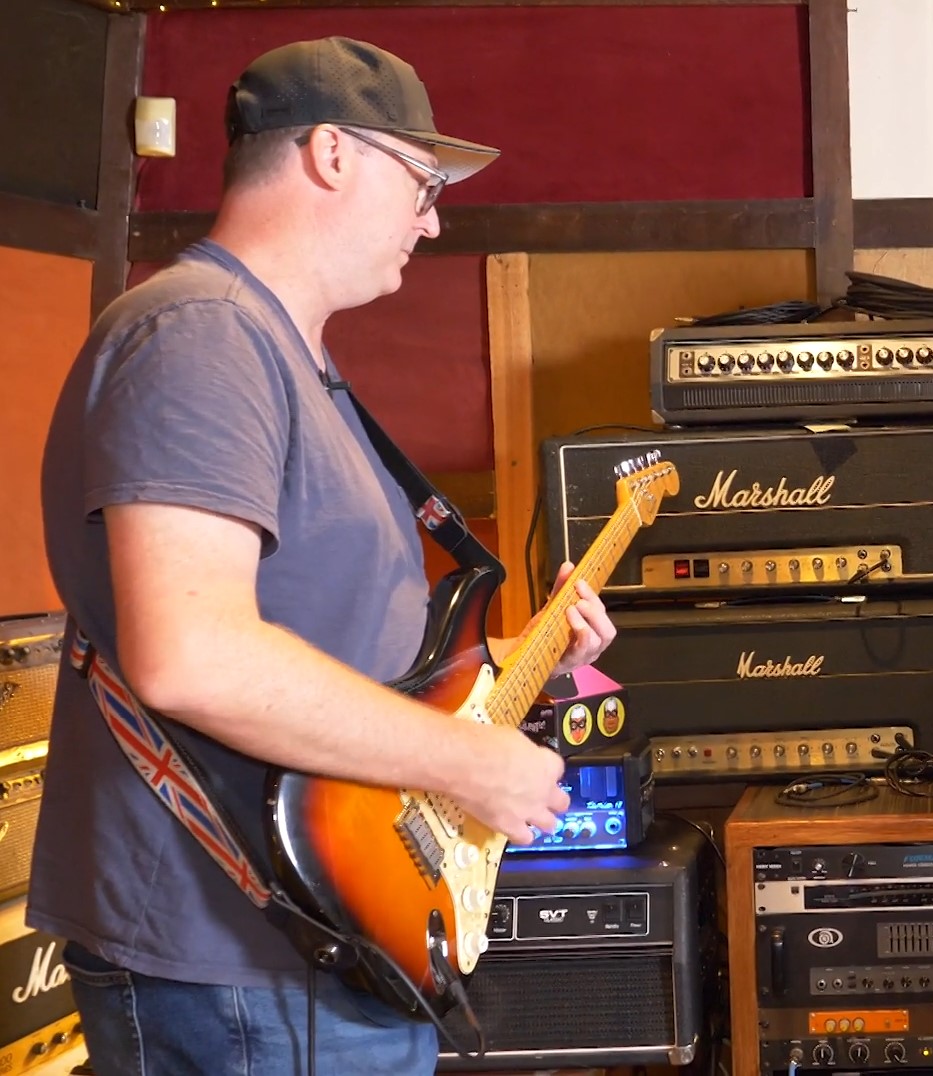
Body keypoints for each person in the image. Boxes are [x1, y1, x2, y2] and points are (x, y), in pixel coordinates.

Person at [30, 37, 617, 1074]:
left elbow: (326, 644)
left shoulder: (276, 349)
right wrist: (465, 759)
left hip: (311, 950)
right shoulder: (201, 338)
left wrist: (520, 657)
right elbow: (193, 654)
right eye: (423, 182)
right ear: (333, 154)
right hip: (237, 958)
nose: (433, 218)